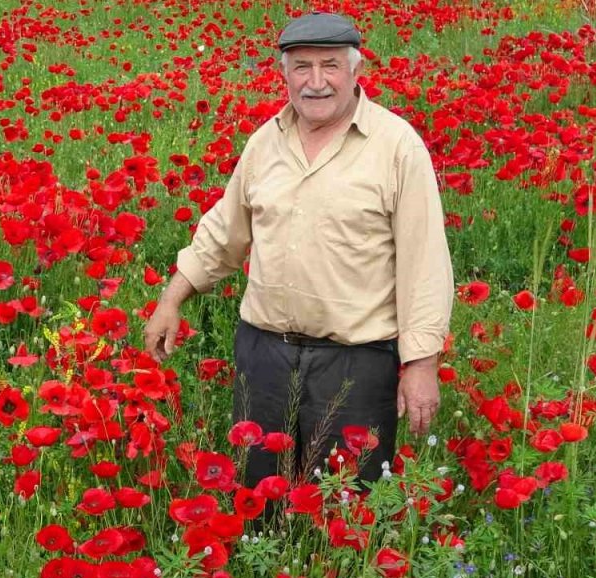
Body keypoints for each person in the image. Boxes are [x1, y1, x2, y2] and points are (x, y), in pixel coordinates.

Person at [143, 12, 453, 491]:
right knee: (259, 495)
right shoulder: (265, 143)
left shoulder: (396, 147)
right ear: (283, 73)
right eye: (301, 66)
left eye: (329, 65)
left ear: (356, 70)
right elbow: (225, 233)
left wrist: (423, 363)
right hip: (264, 356)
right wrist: (172, 298)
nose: (316, 82)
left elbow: (425, 262)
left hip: (356, 363)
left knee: (345, 509)